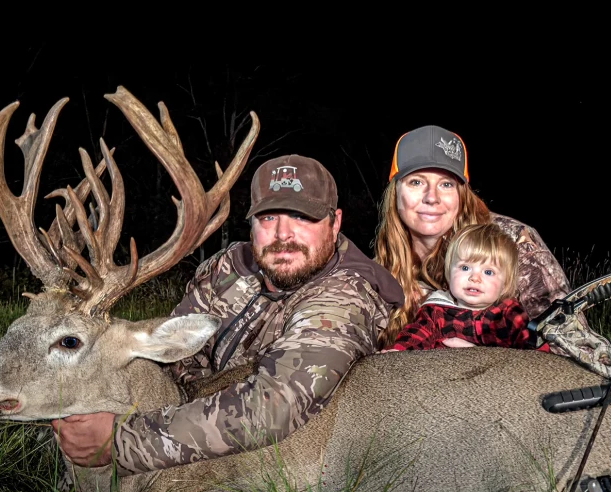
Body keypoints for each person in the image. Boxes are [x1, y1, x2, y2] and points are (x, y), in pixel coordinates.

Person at [53, 154, 405, 474]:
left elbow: (275, 406)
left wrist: (119, 442)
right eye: (269, 217)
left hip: (290, 462)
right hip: (197, 431)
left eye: (302, 217)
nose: (283, 234)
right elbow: (173, 360)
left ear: (334, 222)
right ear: (251, 223)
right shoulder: (226, 268)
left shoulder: (347, 296)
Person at [373, 124, 609, 354]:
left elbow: (572, 346)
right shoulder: (383, 265)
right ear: (395, 192)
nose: (431, 197)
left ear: (462, 194)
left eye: (446, 184)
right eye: (416, 182)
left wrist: (489, 357)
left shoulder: (510, 242)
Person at [388, 222, 549, 352]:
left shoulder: (509, 315)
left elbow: (535, 358)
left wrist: (477, 355)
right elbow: (415, 337)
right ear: (449, 272)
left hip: (493, 383)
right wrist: (398, 352)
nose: (475, 278)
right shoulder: (436, 310)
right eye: (465, 268)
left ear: (505, 283)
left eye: (488, 272)